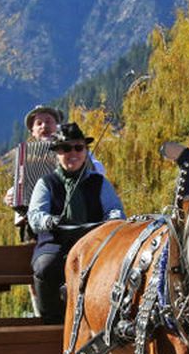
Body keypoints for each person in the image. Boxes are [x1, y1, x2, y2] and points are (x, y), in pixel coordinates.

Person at [27, 121, 125, 324]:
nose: (73, 153)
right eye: (65, 148)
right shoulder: (46, 183)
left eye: (78, 147)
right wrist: (49, 221)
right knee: (46, 267)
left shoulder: (99, 182)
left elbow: (114, 209)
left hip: (95, 241)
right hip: (56, 242)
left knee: (118, 264)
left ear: (86, 151)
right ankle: (52, 321)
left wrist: (113, 220)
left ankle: (109, 320)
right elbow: (35, 215)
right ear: (57, 153)